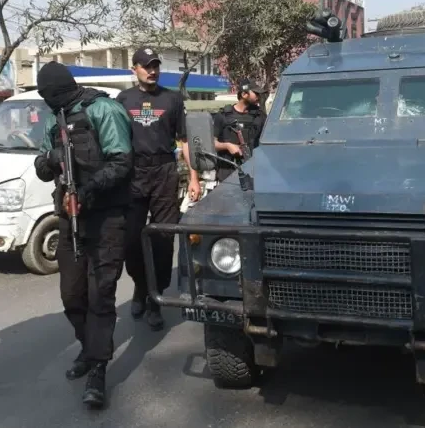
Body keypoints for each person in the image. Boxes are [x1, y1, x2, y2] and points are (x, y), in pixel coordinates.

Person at [33, 62, 133, 409]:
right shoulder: (54, 118)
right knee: (72, 296)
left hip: (107, 218)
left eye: (49, 93)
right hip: (69, 217)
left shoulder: (103, 110)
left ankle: (98, 369)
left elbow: (121, 162)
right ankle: (89, 349)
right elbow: (41, 164)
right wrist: (49, 162)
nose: (47, 99)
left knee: (100, 295)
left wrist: (89, 190)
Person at [115, 47, 201, 329]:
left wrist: (194, 177)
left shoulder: (172, 99)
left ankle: (156, 299)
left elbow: (184, 141)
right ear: (134, 69)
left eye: (155, 66)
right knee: (131, 240)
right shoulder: (123, 100)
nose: (152, 71)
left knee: (164, 239)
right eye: (146, 66)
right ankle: (141, 287)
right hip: (133, 175)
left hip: (164, 173)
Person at [213, 79, 268, 182]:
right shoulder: (223, 116)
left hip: (253, 171)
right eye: (255, 93)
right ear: (244, 94)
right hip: (227, 172)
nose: (259, 96)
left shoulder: (260, 116)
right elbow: (212, 143)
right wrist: (227, 146)